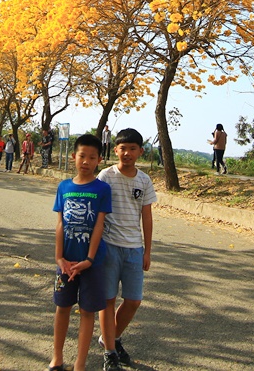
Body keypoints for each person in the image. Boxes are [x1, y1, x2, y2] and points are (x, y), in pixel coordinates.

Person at [49, 134, 113, 371]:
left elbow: (99, 225)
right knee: (62, 308)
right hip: (65, 262)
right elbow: (60, 224)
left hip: (92, 264)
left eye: (92, 157)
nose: (86, 161)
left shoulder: (102, 189)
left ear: (99, 160)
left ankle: (80, 364)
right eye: (82, 156)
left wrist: (89, 259)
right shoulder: (64, 187)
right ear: (74, 156)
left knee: (87, 312)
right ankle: (57, 357)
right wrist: (59, 258)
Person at [97, 128, 157, 369]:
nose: (127, 153)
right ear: (115, 150)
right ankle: (110, 352)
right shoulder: (105, 176)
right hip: (109, 247)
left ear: (140, 152)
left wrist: (147, 251)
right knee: (108, 300)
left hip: (134, 249)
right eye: (123, 148)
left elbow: (147, 217)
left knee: (133, 301)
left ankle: (109, 337)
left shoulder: (144, 180)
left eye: (133, 148)